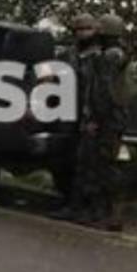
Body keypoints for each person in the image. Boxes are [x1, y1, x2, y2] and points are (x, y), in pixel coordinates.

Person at [50, 13, 101, 222]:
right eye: (79, 29)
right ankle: (68, 202)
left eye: (87, 29)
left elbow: (101, 91)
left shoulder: (99, 56)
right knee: (64, 162)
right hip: (66, 114)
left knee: (87, 165)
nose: (83, 33)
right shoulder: (68, 55)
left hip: (89, 116)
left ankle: (83, 206)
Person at [81, 14, 129, 231]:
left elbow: (103, 93)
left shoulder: (108, 58)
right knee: (107, 164)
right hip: (114, 118)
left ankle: (107, 215)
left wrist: (95, 119)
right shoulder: (117, 55)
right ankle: (109, 214)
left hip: (108, 119)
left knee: (104, 165)